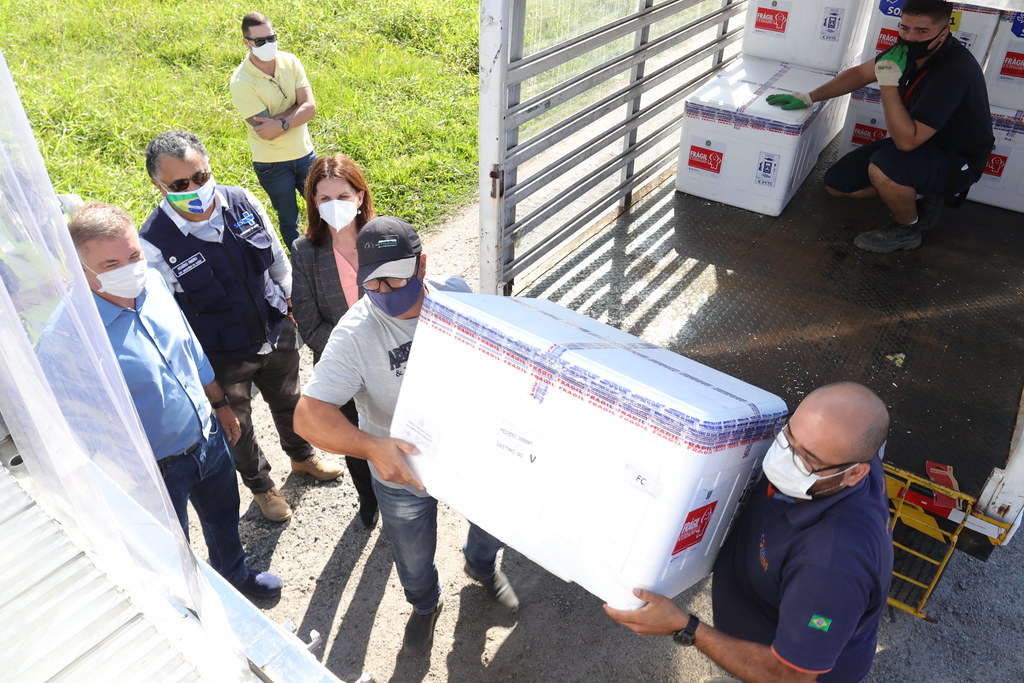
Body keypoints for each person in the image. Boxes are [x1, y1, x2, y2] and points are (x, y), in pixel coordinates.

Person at [293, 217, 520, 655]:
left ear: (422, 265)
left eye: (395, 279)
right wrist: (371, 446)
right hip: (403, 469)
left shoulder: (456, 294)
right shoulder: (356, 335)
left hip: (471, 449)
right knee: (413, 562)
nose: (384, 293)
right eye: (372, 284)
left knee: (492, 523)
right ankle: (424, 605)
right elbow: (308, 417)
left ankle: (482, 566)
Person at [605, 382, 893, 683]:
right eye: (789, 436)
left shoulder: (829, 568)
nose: (783, 459)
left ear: (854, 473)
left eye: (806, 459)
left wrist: (685, 627)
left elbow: (791, 676)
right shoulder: (843, 452)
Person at [68, 202, 282, 599]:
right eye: (111, 264)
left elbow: (191, 350)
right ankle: (188, 607)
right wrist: (125, 476)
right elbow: (74, 423)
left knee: (222, 518)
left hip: (208, 437)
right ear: (81, 270)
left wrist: (219, 405)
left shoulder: (153, 283)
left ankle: (233, 577)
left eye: (133, 255)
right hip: (153, 469)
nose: (130, 269)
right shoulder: (70, 337)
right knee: (169, 547)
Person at [139, 129, 342, 524]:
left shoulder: (241, 201)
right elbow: (170, 320)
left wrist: (294, 304)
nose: (196, 188)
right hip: (221, 353)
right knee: (237, 427)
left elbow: (278, 260)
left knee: (289, 399)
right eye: (181, 184)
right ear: (159, 187)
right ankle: (262, 486)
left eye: (200, 176)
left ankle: (301, 457)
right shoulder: (154, 244)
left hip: (273, 327)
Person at [766, 0, 993, 254]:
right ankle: (919, 191)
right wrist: (810, 96)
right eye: (904, 28)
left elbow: (906, 142)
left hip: (956, 156)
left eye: (921, 31)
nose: (909, 37)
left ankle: (908, 229)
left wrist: (887, 84)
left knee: (885, 167)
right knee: (837, 184)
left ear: (944, 33)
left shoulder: (953, 71)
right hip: (922, 140)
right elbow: (862, 74)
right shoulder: (908, 49)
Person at [291, 153, 379, 529]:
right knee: (355, 442)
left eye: (343, 196)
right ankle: (368, 498)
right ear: (313, 202)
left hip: (392, 360)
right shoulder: (305, 252)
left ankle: (405, 497)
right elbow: (309, 324)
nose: (334, 205)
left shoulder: (385, 239)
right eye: (324, 198)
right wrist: (355, 354)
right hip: (340, 367)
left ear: (360, 197)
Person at [229, 11, 317, 250]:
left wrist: (281, 122)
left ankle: (332, 251)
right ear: (246, 43)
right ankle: (302, 262)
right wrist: (295, 109)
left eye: (271, 38)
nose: (268, 44)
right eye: (260, 41)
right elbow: (265, 131)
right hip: (272, 164)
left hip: (305, 153)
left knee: (324, 207)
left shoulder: (290, 61)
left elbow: (310, 108)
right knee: (289, 219)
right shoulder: (241, 82)